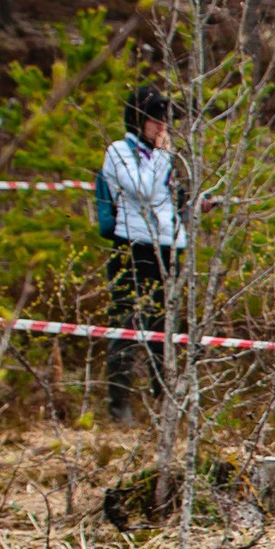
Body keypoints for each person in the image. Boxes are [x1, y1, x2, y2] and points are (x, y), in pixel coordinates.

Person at [97, 84, 189, 421]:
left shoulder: (166, 157)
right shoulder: (119, 152)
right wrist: (163, 156)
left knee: (165, 329)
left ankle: (165, 409)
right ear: (138, 120)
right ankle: (118, 408)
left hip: (168, 250)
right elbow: (143, 191)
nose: (162, 126)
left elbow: (169, 201)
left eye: (165, 119)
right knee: (127, 325)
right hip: (132, 248)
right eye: (154, 119)